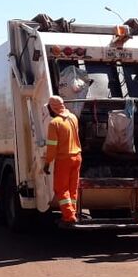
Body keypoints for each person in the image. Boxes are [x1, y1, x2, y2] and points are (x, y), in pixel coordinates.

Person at [44, 95, 82, 225]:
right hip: (77, 157)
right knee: (72, 188)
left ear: (52, 108)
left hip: (64, 159)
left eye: (48, 107)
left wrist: (47, 163)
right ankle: (72, 212)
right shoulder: (73, 118)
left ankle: (69, 217)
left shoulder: (54, 123)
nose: (48, 110)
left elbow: (52, 148)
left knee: (61, 188)